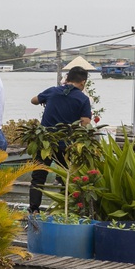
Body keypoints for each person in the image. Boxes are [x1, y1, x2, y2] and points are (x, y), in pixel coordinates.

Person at [28, 66, 94, 210]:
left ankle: (33, 210)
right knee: (67, 178)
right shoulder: (83, 99)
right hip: (67, 144)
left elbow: (33, 100)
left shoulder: (52, 91)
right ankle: (65, 209)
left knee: (38, 177)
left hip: (45, 142)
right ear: (83, 82)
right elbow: (85, 122)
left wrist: (46, 101)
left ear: (67, 78)